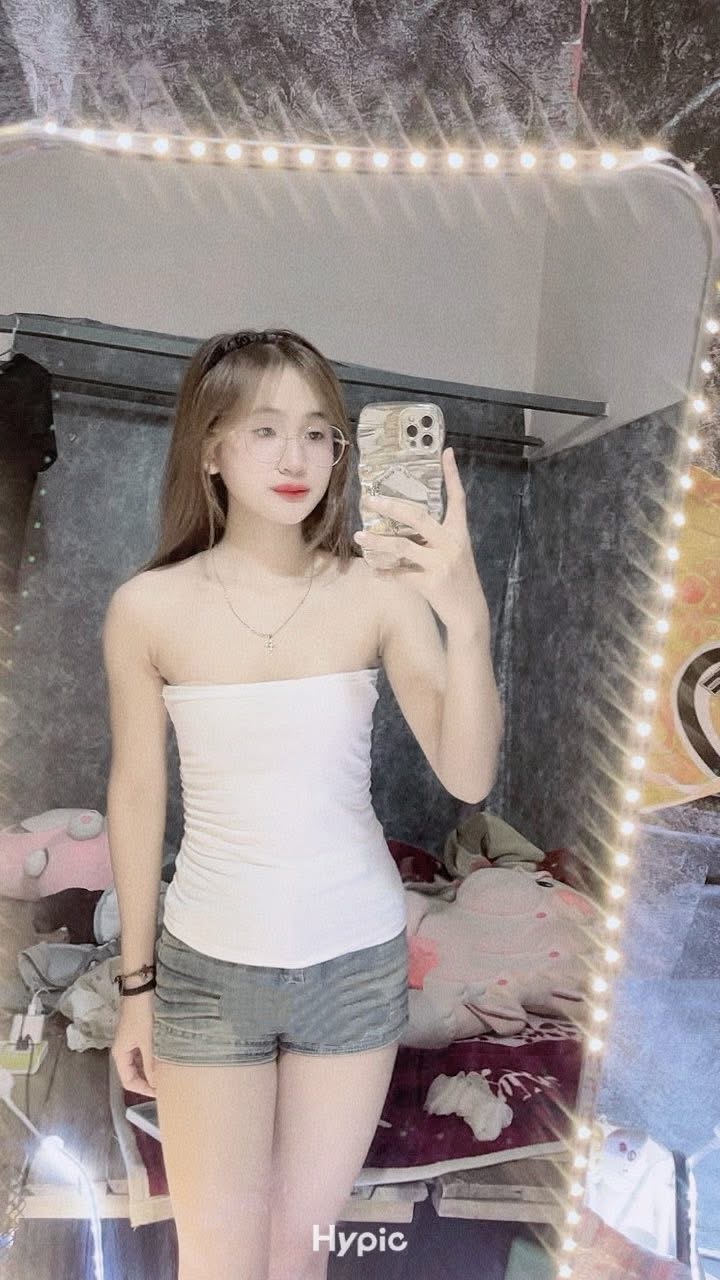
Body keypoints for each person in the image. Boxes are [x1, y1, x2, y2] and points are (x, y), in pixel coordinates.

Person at [103, 328, 451, 1280]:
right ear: (210, 447)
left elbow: (466, 769)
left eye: (317, 431)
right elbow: (137, 793)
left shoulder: (378, 591)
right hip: (207, 969)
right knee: (217, 1261)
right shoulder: (147, 607)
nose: (295, 457)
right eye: (263, 429)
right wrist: (135, 991)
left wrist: (460, 605)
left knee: (298, 1259)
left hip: (356, 966)